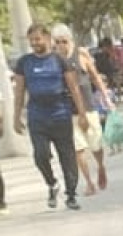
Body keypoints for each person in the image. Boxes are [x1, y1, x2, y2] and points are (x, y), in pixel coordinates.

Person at [12, 19, 87, 209]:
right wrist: (16, 117)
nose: (34, 43)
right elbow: (19, 91)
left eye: (37, 39)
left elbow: (74, 87)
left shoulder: (59, 60)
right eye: (31, 40)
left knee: (67, 156)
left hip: (60, 114)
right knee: (40, 155)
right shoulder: (24, 63)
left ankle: (71, 194)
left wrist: (82, 114)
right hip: (37, 116)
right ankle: (52, 183)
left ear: (46, 37)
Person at [54, 27, 109, 195]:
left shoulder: (81, 56)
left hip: (88, 107)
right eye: (57, 42)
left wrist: (105, 97)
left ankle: (100, 166)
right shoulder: (54, 61)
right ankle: (89, 182)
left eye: (64, 41)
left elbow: (95, 76)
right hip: (67, 111)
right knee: (78, 149)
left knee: (96, 145)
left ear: (71, 41)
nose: (61, 45)